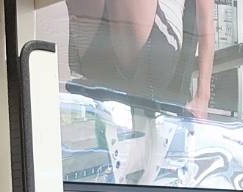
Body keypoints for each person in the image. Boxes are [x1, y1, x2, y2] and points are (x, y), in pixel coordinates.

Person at [65, 0, 215, 117]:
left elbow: (206, 22)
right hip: (104, 52)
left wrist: (202, 98)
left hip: (152, 44)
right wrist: (202, 98)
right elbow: (206, 22)